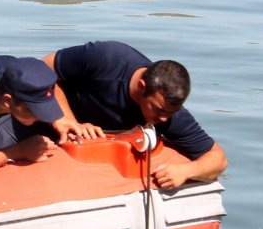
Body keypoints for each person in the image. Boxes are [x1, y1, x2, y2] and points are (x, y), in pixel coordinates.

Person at [40, 41, 227, 189]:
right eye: (159, 110)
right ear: (142, 87)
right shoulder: (106, 58)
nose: (164, 119)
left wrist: (186, 171)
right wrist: (65, 119)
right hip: (48, 122)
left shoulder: (169, 114)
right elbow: (44, 68)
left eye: (172, 113)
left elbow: (217, 158)